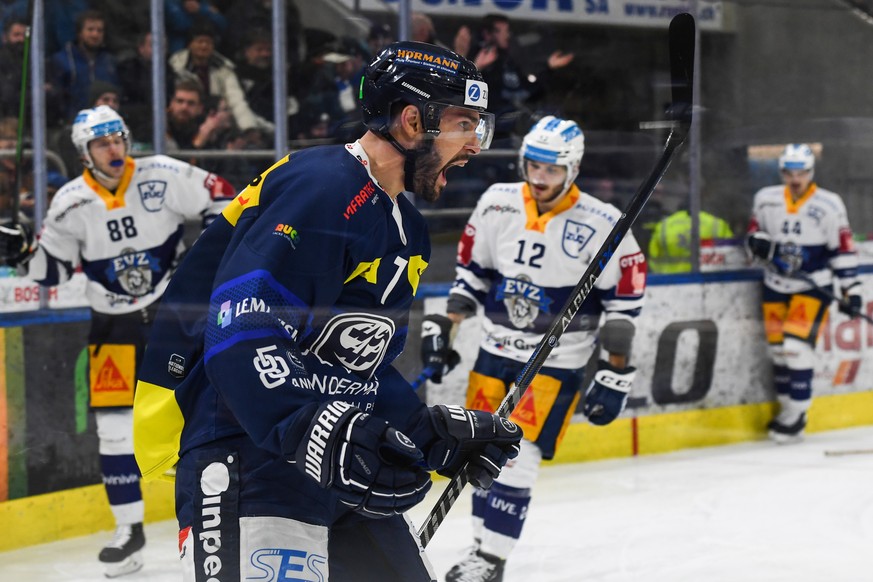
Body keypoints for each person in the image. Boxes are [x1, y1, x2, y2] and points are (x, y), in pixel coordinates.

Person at [130, 41, 522, 582]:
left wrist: (421, 430)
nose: (475, 144)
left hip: (327, 462)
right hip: (249, 453)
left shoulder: (407, 227)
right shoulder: (322, 186)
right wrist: (309, 427)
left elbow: (353, 363)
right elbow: (240, 327)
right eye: (464, 124)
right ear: (412, 122)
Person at [0, 105, 236, 577]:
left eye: (118, 139)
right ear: (84, 153)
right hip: (112, 329)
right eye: (101, 143)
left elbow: (225, 197)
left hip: (172, 321)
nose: (113, 149)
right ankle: (129, 533)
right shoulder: (69, 202)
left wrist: (205, 256)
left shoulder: (163, 174)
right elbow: (53, 270)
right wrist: (23, 252)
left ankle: (215, 518)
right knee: (113, 432)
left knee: (203, 414)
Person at [423, 116, 646, 582]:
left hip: (554, 362)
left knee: (515, 456)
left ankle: (491, 560)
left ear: (574, 168)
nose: (539, 178)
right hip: (495, 349)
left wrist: (614, 372)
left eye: (551, 170)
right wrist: (447, 328)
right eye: (532, 166)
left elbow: (623, 308)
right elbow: (472, 276)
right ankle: (482, 548)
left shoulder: (605, 223)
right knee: (480, 448)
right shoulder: (497, 202)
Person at [746, 143, 862, 443]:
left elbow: (842, 249)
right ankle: (788, 411)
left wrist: (852, 291)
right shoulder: (766, 200)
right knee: (778, 352)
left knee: (796, 348)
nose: (796, 178)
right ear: (782, 171)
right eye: (789, 172)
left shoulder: (829, 204)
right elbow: (753, 235)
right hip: (774, 285)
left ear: (811, 172)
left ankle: (798, 413)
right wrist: (758, 243)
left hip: (813, 287)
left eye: (802, 172)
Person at [49, 10, 120, 123]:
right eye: (90, 29)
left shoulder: (109, 61)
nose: (95, 34)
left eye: (99, 30)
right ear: (79, 33)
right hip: (72, 123)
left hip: (104, 123)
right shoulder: (63, 60)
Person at [648, 206, 736, 273]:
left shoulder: (664, 225)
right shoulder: (717, 224)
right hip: (709, 278)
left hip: (669, 280)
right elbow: (733, 254)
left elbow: (653, 255)